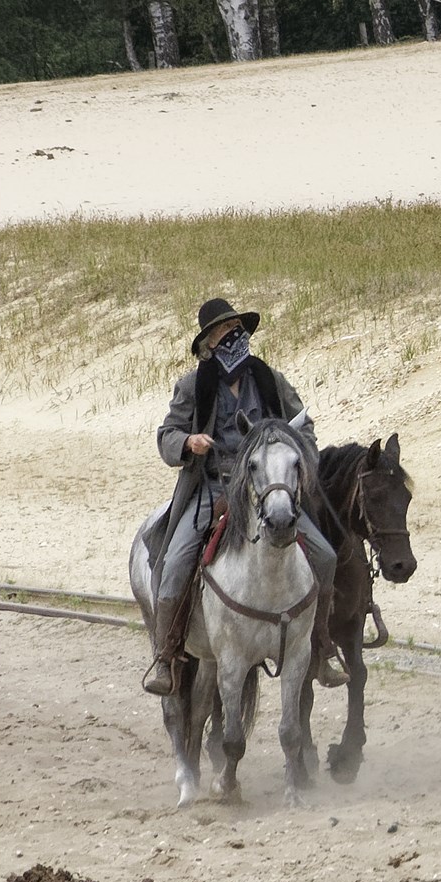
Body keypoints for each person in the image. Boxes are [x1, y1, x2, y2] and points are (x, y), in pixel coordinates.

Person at [145, 297, 343, 696]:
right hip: (215, 486)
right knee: (176, 562)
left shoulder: (270, 379)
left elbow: (304, 428)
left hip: (270, 485)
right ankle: (166, 656)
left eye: (237, 329)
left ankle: (321, 648)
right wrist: (189, 441)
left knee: (326, 555)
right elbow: (166, 435)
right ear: (209, 345)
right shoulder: (191, 386)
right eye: (224, 332)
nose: (234, 337)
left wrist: (298, 462)